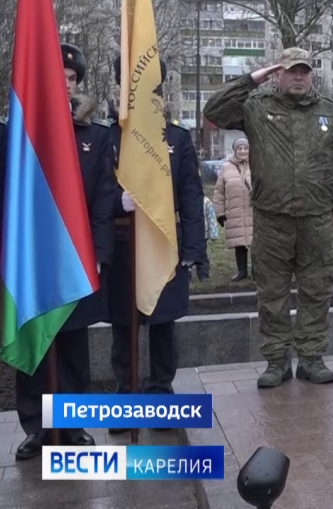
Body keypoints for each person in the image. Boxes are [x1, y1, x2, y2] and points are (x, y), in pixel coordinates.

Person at [203, 48, 333, 388]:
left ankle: (311, 358)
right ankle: (276, 362)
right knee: (271, 294)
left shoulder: (328, 113)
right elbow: (213, 110)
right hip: (272, 222)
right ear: (278, 74)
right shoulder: (257, 108)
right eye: (291, 71)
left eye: (304, 71)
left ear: (312, 75)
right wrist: (251, 79)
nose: (299, 77)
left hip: (316, 223)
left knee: (316, 291)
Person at [15, 44, 118, 459]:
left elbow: (103, 199)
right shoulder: (23, 132)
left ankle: (72, 425)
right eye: (58, 76)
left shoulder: (94, 137)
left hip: (75, 259)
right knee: (35, 343)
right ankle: (36, 427)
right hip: (33, 260)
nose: (65, 83)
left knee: (74, 344)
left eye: (72, 78)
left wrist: (98, 253)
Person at [106, 58, 206, 434]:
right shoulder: (112, 136)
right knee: (123, 328)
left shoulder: (176, 139)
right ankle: (125, 396)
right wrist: (119, 202)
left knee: (162, 327)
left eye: (150, 85)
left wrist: (195, 249)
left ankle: (160, 393)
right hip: (122, 247)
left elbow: (191, 197)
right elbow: (99, 193)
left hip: (165, 246)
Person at [214, 137, 255, 281]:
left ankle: (257, 271)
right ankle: (241, 271)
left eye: (245, 148)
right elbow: (219, 192)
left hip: (254, 212)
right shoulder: (226, 167)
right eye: (240, 148)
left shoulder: (256, 164)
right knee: (240, 244)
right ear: (235, 151)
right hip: (235, 210)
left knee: (256, 243)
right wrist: (219, 212)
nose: (243, 151)